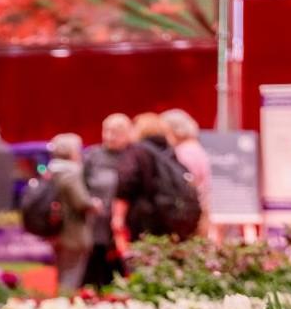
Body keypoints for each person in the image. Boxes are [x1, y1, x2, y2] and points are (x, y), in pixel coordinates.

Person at [44, 133, 101, 292]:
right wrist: (95, 204)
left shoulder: (51, 171)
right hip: (72, 232)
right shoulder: (70, 174)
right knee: (71, 274)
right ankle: (66, 304)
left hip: (56, 230)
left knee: (62, 271)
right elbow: (81, 202)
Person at [81, 113, 131, 287]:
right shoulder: (92, 156)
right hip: (96, 225)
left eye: (115, 132)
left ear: (128, 133)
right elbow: (81, 185)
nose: (109, 136)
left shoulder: (133, 156)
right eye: (106, 131)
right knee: (94, 269)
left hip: (124, 227)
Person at [116, 113, 176, 242]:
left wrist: (118, 216)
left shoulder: (137, 151)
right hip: (168, 214)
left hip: (142, 217)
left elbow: (126, 184)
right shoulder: (169, 151)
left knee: (140, 257)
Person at [161, 108, 211, 238]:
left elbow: (186, 187)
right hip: (200, 210)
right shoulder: (195, 148)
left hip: (191, 214)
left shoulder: (184, 153)